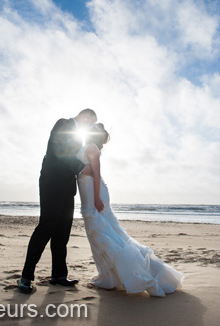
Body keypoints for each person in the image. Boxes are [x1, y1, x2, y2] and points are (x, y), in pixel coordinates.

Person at [77, 124, 183, 296]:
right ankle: (108, 276)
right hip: (89, 191)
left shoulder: (91, 148)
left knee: (103, 233)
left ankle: (118, 276)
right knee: (100, 233)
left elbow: (96, 174)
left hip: (94, 193)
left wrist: (96, 198)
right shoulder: (86, 147)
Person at [18, 109, 97, 293]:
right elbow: (60, 149)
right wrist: (81, 168)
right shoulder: (63, 124)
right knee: (46, 227)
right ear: (84, 116)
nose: (90, 126)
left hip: (68, 188)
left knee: (63, 232)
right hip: (52, 184)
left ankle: (58, 275)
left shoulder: (79, 137)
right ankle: (25, 277)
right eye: (91, 122)